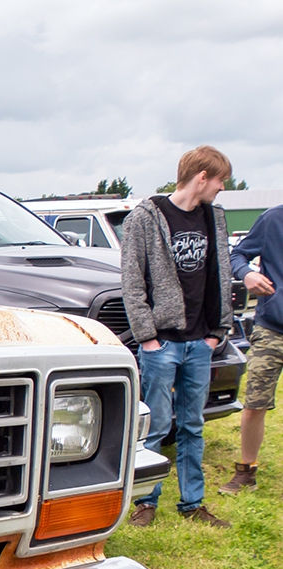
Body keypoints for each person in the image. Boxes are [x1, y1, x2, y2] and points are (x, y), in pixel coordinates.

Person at [121, 145, 235, 528]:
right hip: (162, 343)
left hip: (200, 341)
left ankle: (192, 503)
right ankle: (144, 503)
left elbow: (219, 274)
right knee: (154, 425)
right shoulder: (146, 217)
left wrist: (216, 332)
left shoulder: (213, 217)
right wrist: (147, 337)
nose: (222, 188)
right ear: (202, 177)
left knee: (192, 425)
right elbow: (132, 281)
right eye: (220, 180)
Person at [220, 205, 282, 494]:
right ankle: (246, 472)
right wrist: (247, 274)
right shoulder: (273, 220)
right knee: (255, 402)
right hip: (272, 328)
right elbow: (237, 253)